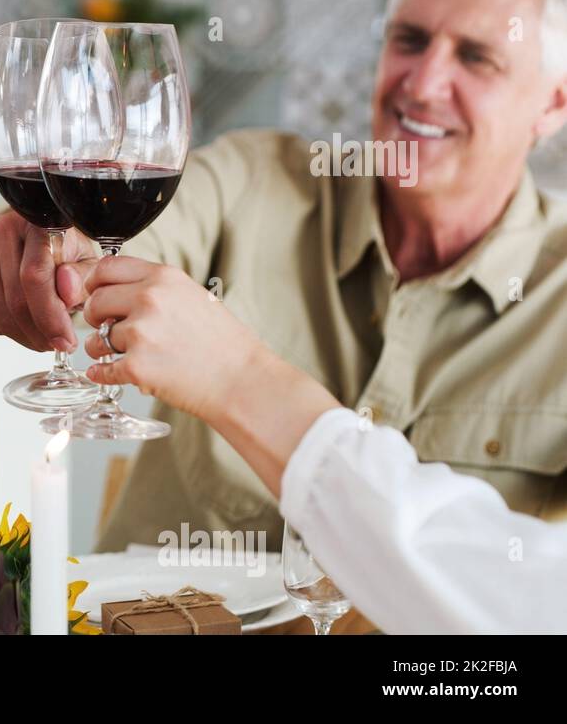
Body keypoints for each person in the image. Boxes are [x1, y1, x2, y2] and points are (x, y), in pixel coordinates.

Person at [0, 0, 567, 550]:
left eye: (476, 57)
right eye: (410, 40)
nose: (425, 83)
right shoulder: (258, 180)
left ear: (553, 103)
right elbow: (101, 243)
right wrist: (45, 245)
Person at [80, 253, 566, 633]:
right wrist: (60, 248)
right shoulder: (266, 176)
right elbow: (123, 253)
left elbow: (532, 604)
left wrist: (239, 379)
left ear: (552, 117)